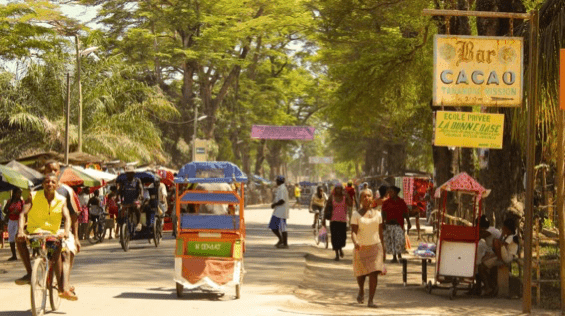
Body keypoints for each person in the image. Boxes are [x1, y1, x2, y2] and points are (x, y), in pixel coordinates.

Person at [14, 173, 76, 300]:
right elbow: (22, 214)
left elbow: (67, 217)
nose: (50, 184)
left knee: (57, 249)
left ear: (57, 185)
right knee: (18, 239)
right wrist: (21, 231)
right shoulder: (33, 196)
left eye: (53, 182)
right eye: (47, 182)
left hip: (52, 235)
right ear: (43, 184)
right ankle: (30, 273)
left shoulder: (61, 200)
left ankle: (61, 287)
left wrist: (65, 231)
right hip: (35, 236)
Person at [43, 161, 81, 299]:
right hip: (41, 231)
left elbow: (74, 215)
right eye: (49, 169)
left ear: (59, 172)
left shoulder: (67, 191)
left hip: (61, 230)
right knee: (39, 250)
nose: (52, 172)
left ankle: (65, 285)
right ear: (44, 171)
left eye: (55, 170)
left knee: (67, 253)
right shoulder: (36, 190)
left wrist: (75, 237)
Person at [351, 189, 386, 308]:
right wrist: (355, 242)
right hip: (361, 248)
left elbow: (381, 234)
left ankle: (370, 300)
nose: (366, 198)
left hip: (375, 247)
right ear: (360, 200)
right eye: (364, 196)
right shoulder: (356, 215)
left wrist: (384, 250)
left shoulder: (378, 214)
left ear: (372, 198)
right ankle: (361, 289)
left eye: (368, 196)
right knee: (361, 274)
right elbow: (354, 232)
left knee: (374, 273)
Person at [478, 218, 519, 296]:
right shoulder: (507, 237)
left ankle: (489, 287)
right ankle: (490, 287)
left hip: (507, 257)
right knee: (481, 266)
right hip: (504, 255)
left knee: (495, 241)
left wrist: (500, 238)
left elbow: (502, 245)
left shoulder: (512, 237)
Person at [325, 183, 352, 261]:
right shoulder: (332, 197)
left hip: (343, 221)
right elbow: (327, 207)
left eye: (340, 188)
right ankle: (337, 254)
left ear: (342, 189)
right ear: (335, 189)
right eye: (337, 188)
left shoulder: (344, 197)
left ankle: (340, 249)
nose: (338, 190)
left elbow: (350, 204)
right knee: (335, 238)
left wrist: (347, 196)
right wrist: (324, 219)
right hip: (333, 221)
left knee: (342, 238)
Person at [382, 185, 408, 263]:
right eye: (389, 191)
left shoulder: (401, 201)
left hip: (398, 224)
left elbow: (405, 212)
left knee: (399, 240)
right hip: (389, 224)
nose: (390, 193)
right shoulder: (386, 202)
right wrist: (382, 222)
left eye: (391, 191)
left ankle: (399, 254)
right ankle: (394, 257)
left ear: (396, 192)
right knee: (391, 241)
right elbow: (383, 213)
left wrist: (408, 222)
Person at [119, 165, 144, 231]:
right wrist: (120, 199)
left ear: (133, 174)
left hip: (135, 200)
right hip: (126, 201)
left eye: (131, 173)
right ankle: (121, 225)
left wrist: (140, 196)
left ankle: (139, 223)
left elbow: (141, 189)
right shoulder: (124, 181)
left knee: (137, 207)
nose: (129, 175)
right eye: (128, 173)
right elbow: (120, 191)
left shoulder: (137, 180)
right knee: (121, 211)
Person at [3, 188, 25, 261]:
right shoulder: (10, 201)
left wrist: (18, 213)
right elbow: (5, 210)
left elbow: (24, 212)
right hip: (11, 221)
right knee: (11, 238)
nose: (19, 195)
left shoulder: (22, 202)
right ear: (15, 193)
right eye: (18, 193)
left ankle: (23, 255)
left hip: (18, 221)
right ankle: (14, 255)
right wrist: (10, 212)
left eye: (20, 193)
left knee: (18, 237)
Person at [270, 176, 289, 249]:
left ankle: (285, 243)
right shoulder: (280, 188)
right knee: (273, 227)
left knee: (283, 228)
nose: (276, 182)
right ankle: (281, 240)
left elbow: (282, 200)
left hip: (281, 212)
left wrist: (274, 204)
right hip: (278, 212)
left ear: (279, 181)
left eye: (277, 181)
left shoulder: (282, 189)